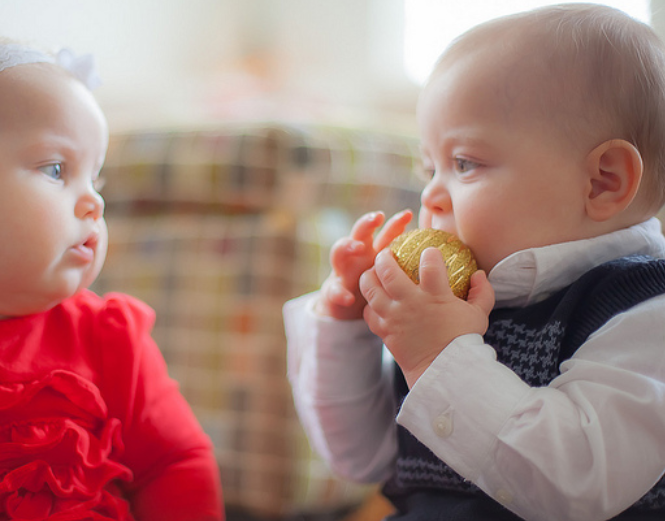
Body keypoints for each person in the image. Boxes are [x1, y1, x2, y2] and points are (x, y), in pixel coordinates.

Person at [285, 4, 665, 521]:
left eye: (464, 163)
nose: (431, 196)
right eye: (429, 168)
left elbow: (579, 484)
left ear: (602, 182)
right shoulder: (449, 304)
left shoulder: (645, 311)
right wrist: (348, 326)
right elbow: (360, 456)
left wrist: (441, 358)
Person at [0, 29, 223, 520]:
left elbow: (175, 463)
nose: (94, 202)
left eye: (96, 178)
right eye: (56, 169)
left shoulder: (106, 340)